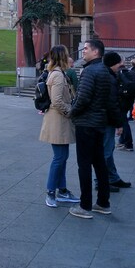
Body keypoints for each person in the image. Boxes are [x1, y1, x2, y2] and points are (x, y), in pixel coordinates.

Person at [68, 39, 112, 219]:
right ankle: (103, 202)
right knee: (100, 163)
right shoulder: (105, 71)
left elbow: (83, 97)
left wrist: (72, 112)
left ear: (96, 52)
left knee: (84, 165)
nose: (83, 51)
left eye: (86, 49)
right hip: (99, 122)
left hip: (86, 123)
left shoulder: (89, 71)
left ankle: (85, 205)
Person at [38, 45, 81, 208]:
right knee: (59, 158)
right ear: (63, 57)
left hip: (60, 120)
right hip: (58, 120)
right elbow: (56, 100)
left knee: (62, 157)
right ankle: (51, 191)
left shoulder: (57, 73)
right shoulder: (57, 75)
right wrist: (70, 112)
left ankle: (62, 190)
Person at [101, 51, 131, 190]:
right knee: (106, 152)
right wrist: (119, 124)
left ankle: (113, 178)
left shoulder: (111, 75)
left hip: (107, 119)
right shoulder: (110, 78)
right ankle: (101, 182)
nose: (120, 65)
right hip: (107, 120)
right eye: (118, 63)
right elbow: (112, 103)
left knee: (108, 150)